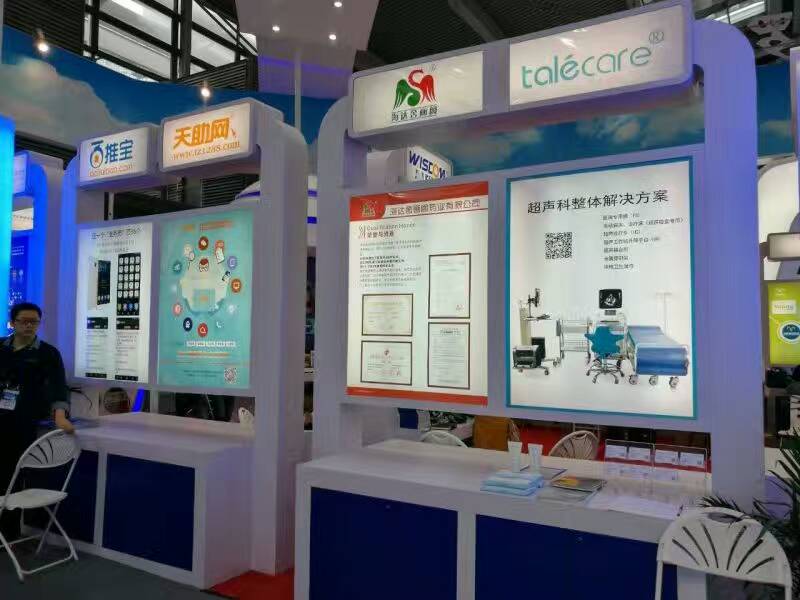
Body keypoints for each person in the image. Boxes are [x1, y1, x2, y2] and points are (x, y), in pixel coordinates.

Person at [0, 302, 73, 541]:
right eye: (24, 321)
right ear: (13, 323)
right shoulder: (2, 347)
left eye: (34, 322)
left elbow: (58, 387)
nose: (29, 326)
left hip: (23, 420)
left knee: (11, 476)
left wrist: (60, 415)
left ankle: (9, 534)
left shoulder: (48, 353)